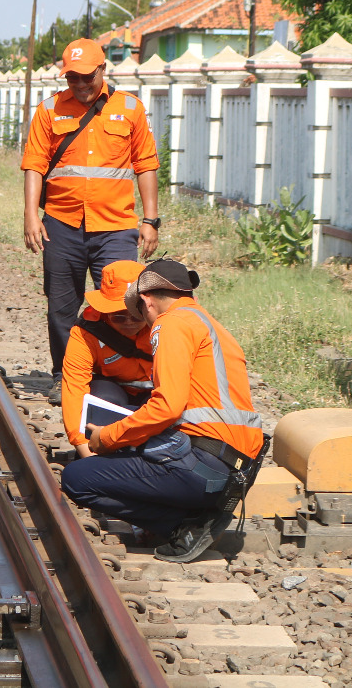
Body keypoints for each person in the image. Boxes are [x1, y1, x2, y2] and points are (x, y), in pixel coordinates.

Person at [60, 259, 263, 563]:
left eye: (137, 313)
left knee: (77, 479)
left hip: (203, 466)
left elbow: (167, 406)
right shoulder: (209, 323)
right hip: (237, 468)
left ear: (146, 301)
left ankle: (185, 525)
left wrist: (108, 438)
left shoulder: (169, 324)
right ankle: (195, 511)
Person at [21, 38, 160, 404]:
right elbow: (35, 164)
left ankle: (129, 374)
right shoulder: (49, 110)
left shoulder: (130, 108)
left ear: (103, 70)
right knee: (62, 305)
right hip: (62, 224)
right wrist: (31, 214)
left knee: (124, 303)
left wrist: (151, 219)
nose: (80, 86)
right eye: (72, 79)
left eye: (86, 77)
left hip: (115, 226)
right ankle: (65, 375)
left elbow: (146, 165)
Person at [59, 260, 155, 453]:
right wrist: (85, 448)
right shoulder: (86, 333)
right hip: (113, 392)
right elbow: (74, 391)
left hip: (158, 394)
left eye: (136, 315)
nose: (128, 322)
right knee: (99, 399)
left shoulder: (168, 323)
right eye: (118, 315)